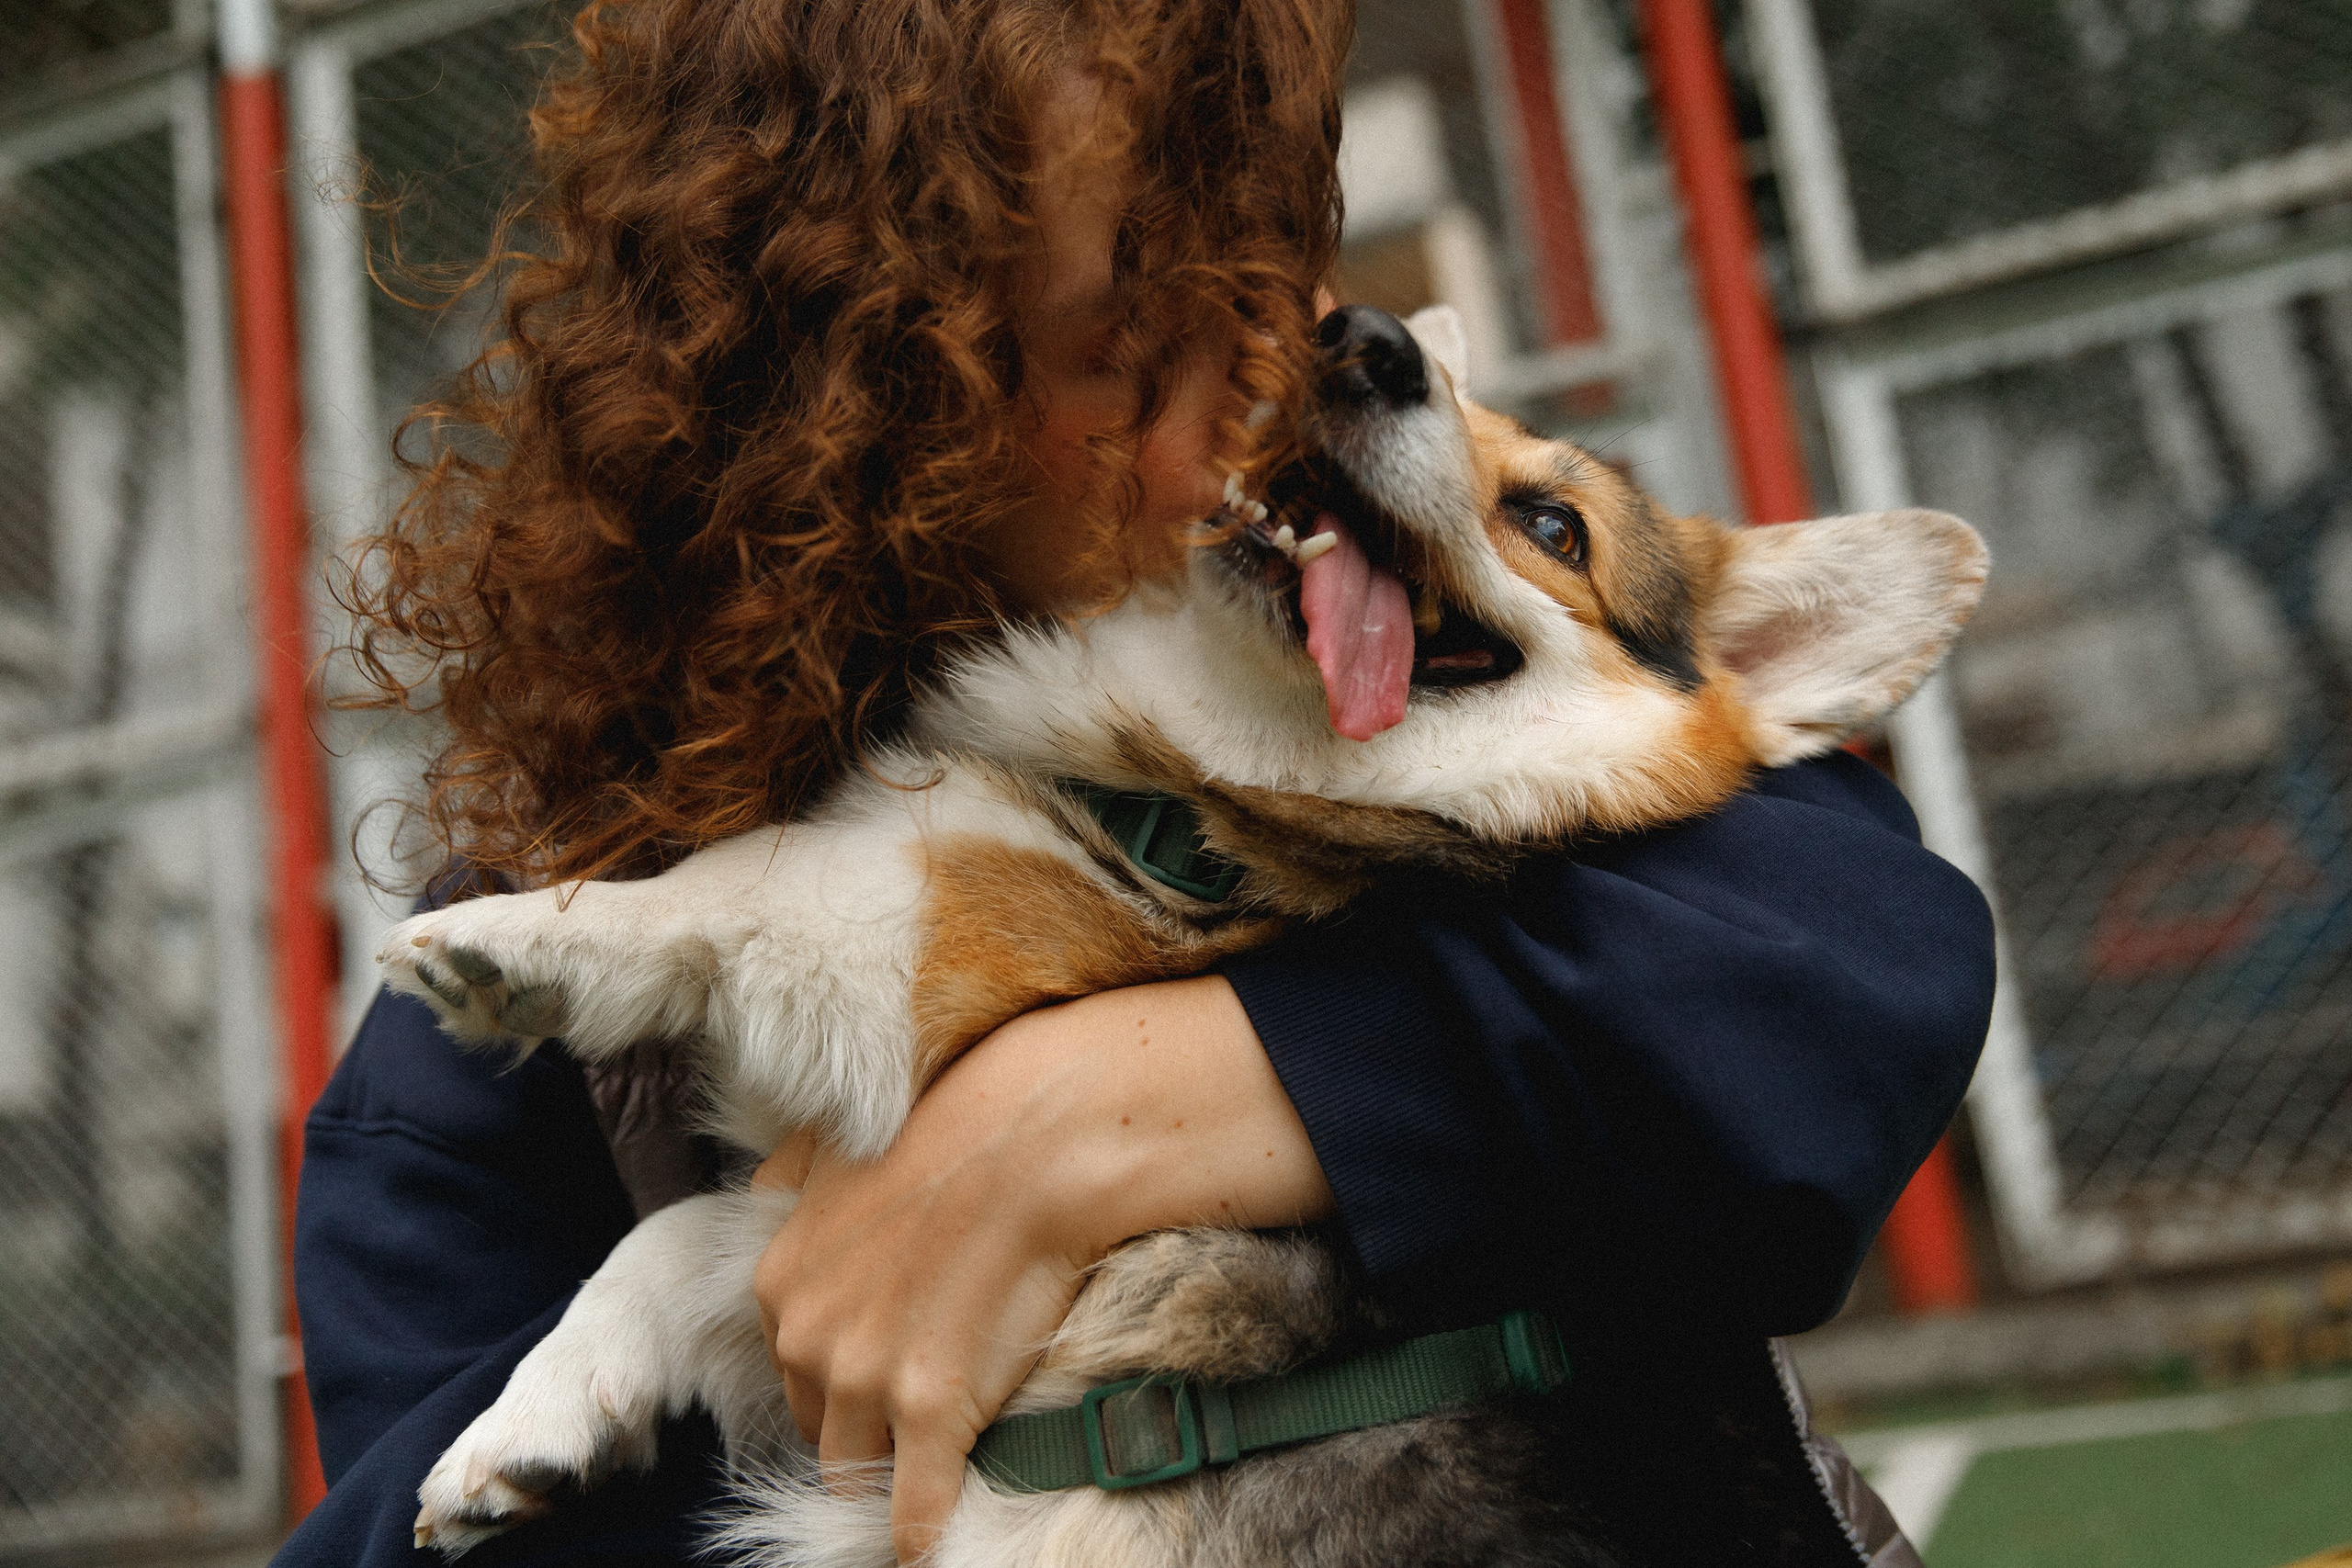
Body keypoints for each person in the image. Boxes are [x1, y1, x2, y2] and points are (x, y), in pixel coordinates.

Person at [276, 2, 1996, 1564]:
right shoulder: (483, 1053)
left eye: (1274, 280)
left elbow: (1854, 959)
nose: (1276, 390)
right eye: (1135, 336)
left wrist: (1148, 1101)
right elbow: (413, 1525)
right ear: (861, 406)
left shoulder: (1423, 749)